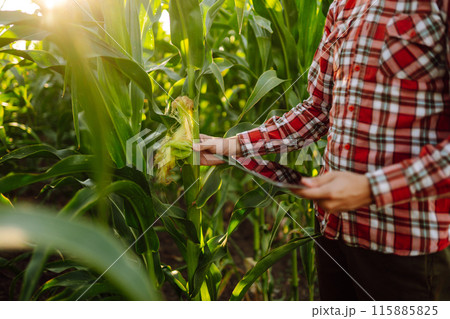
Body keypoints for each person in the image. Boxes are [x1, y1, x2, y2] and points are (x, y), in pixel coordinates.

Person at [194, 0, 450, 300]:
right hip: (333, 233)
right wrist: (233, 145)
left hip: (403, 246)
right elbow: (317, 110)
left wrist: (372, 188)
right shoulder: (344, 6)